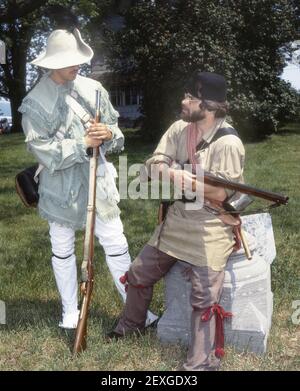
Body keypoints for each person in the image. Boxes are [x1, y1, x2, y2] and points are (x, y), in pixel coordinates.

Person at [19, 28, 157, 329]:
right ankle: (70, 312)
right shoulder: (34, 103)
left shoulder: (94, 89)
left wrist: (108, 134)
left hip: (100, 180)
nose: (76, 65)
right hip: (59, 186)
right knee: (63, 247)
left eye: (77, 59)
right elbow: (42, 151)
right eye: (69, 60)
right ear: (51, 64)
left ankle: (135, 311)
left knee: (116, 242)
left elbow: (116, 132)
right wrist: (82, 144)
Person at [108, 71, 245, 371]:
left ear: (208, 105)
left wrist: (188, 179)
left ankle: (200, 364)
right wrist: (168, 171)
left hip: (212, 224)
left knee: (204, 296)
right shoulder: (180, 128)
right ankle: (130, 326)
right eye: (186, 95)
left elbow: (223, 192)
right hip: (180, 217)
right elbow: (155, 160)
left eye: (191, 98)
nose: (184, 101)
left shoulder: (228, 143)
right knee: (139, 272)